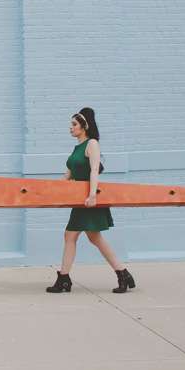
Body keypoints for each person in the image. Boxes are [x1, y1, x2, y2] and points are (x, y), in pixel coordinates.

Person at [46, 107, 135, 294]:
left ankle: (65, 279)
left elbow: (94, 170)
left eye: (74, 124)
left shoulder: (92, 144)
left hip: (89, 199)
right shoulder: (77, 148)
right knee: (88, 237)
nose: (71, 128)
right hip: (80, 199)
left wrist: (93, 195)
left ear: (84, 126)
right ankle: (122, 274)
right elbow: (67, 176)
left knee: (77, 236)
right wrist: (50, 190)